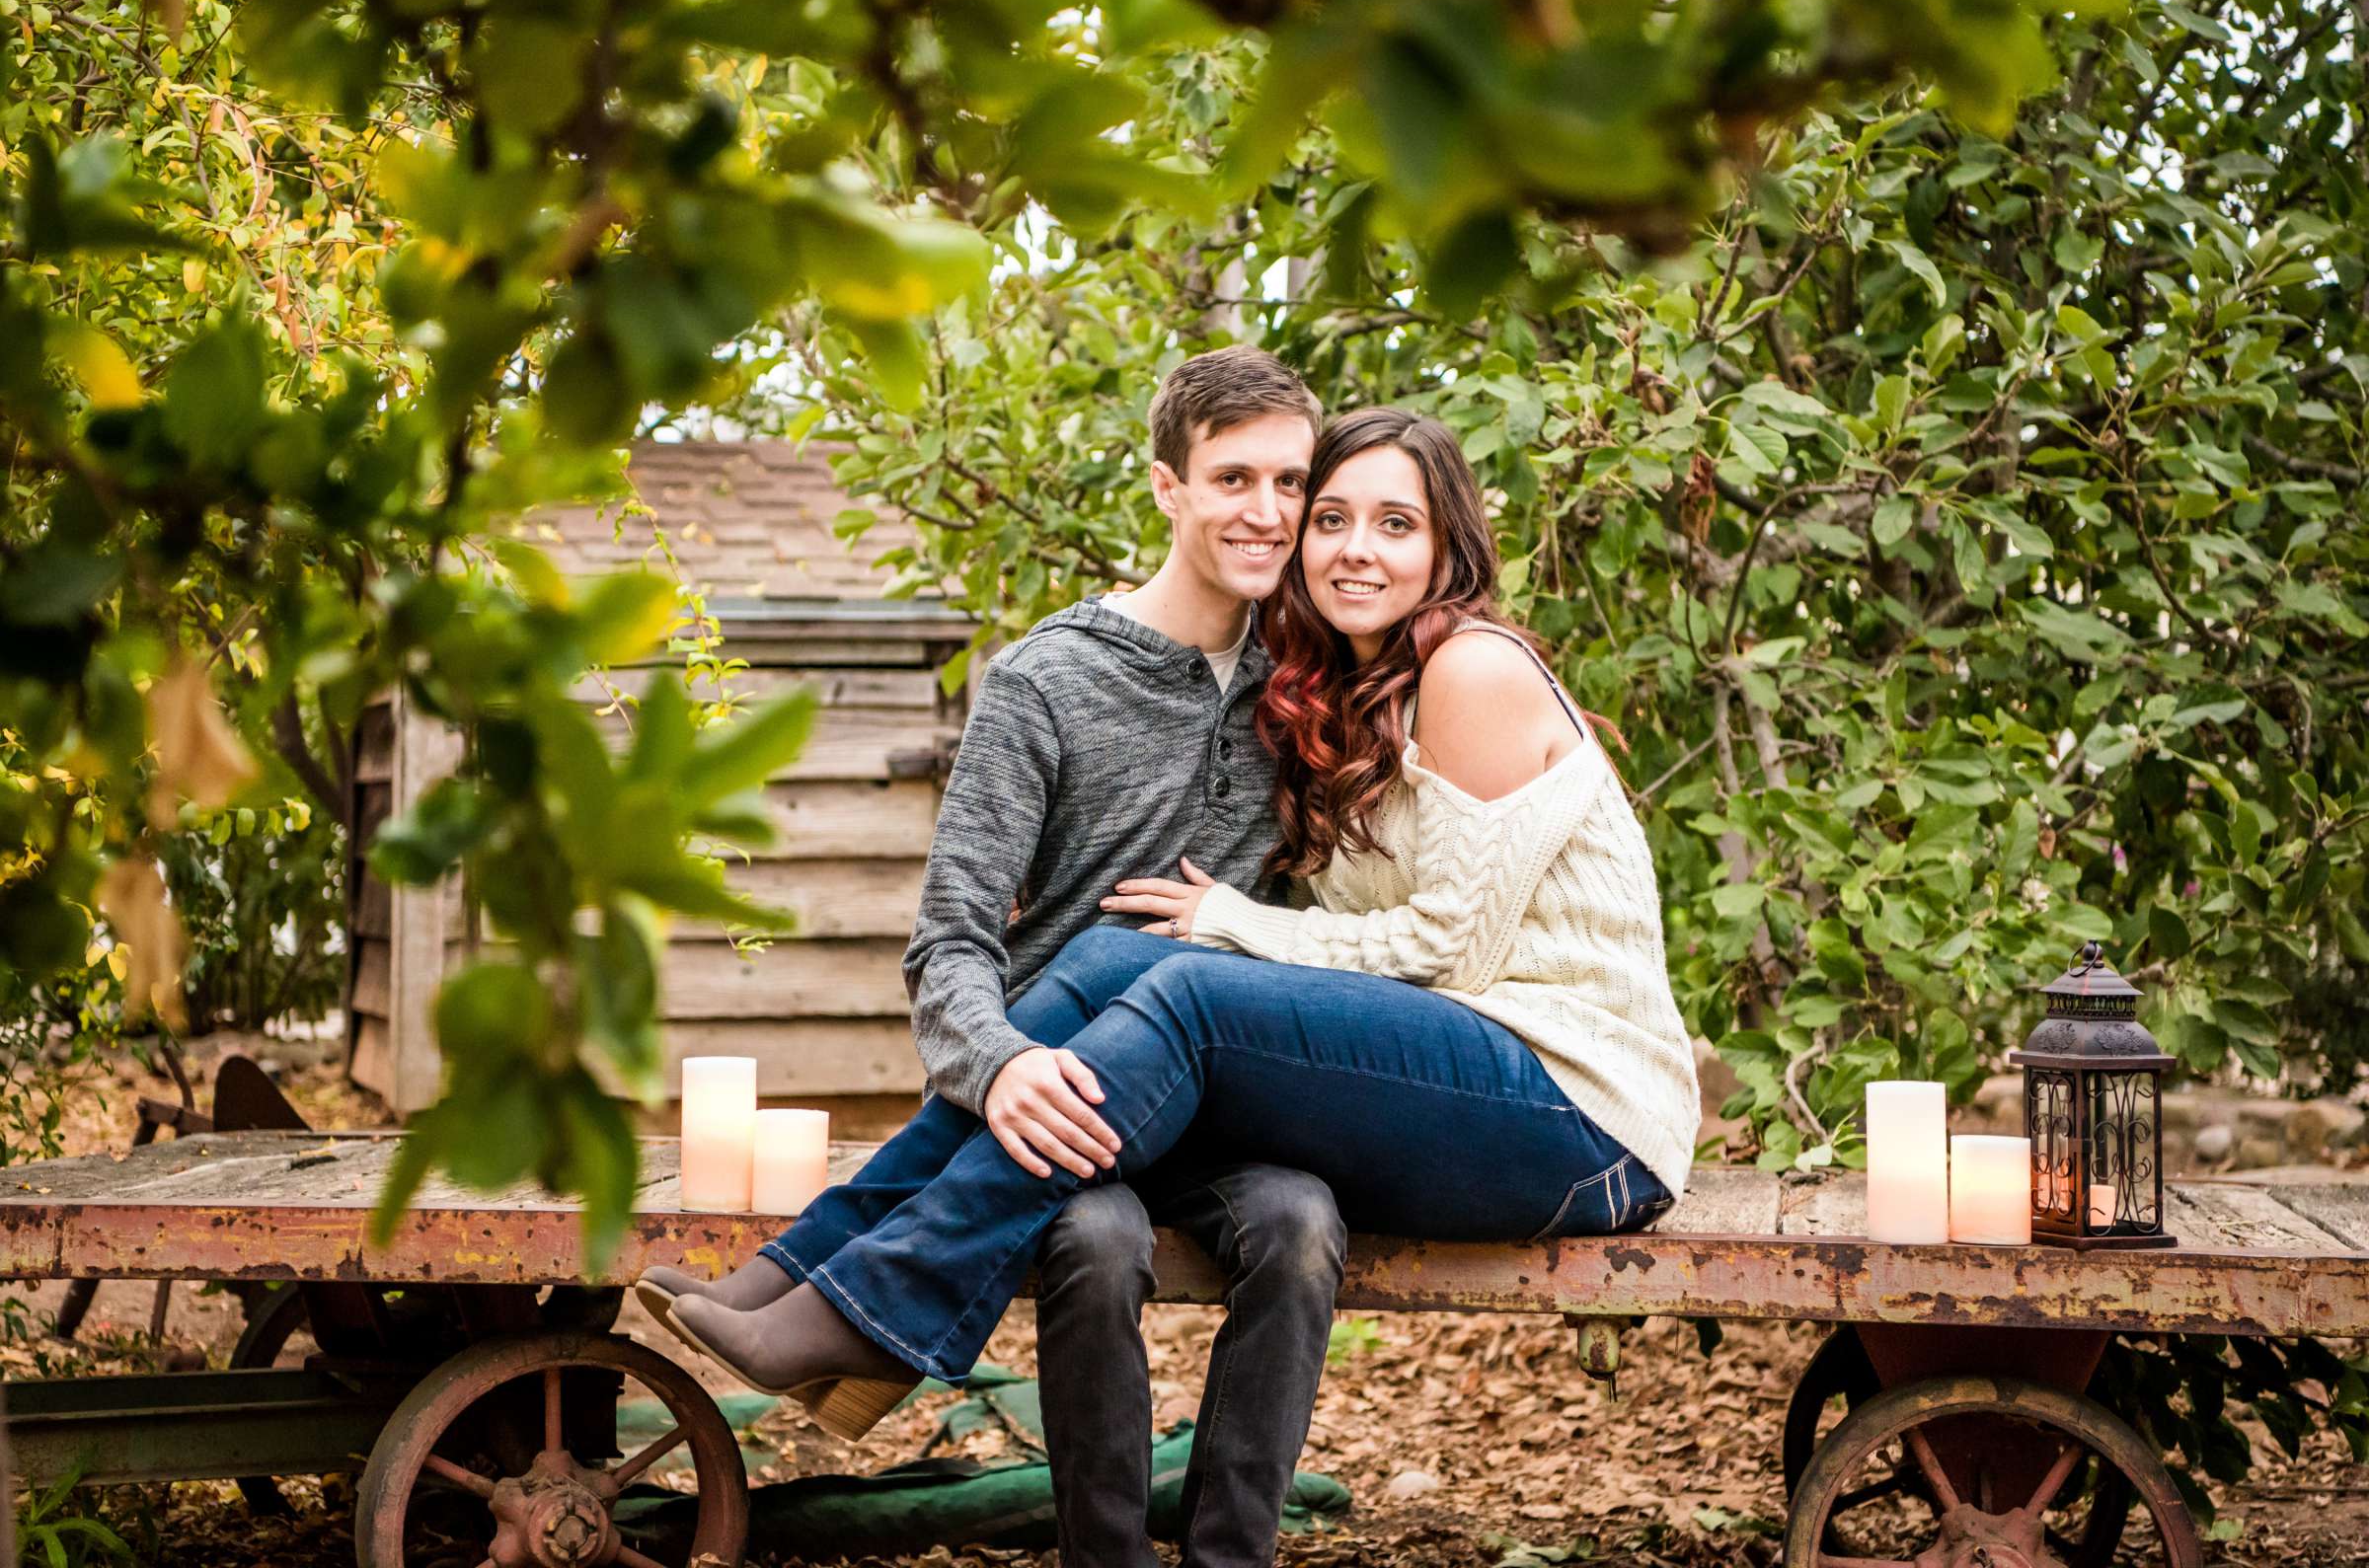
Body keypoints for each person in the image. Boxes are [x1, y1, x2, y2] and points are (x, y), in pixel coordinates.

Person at [649, 404, 1701, 1508]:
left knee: (1188, 979)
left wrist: (1230, 923)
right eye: (1331, 516)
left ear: (1449, 548)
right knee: (1117, 958)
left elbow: (1452, 949)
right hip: (1481, 1086)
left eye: (1397, 523)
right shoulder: (1340, 696)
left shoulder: (1471, 668)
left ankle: (878, 1311)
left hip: (1582, 1116)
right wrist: (1027, 1040)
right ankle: (803, 1276)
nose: (1351, 545)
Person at [641, 344, 1348, 1568]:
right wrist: (1003, 1062)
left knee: (1301, 1220)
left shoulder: (1310, 687)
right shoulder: (1045, 680)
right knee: (1094, 1237)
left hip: (1228, 1105)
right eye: (1235, 478)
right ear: (1166, 486)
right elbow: (951, 940)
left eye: (1291, 483)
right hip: (1061, 1105)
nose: (1269, 513)